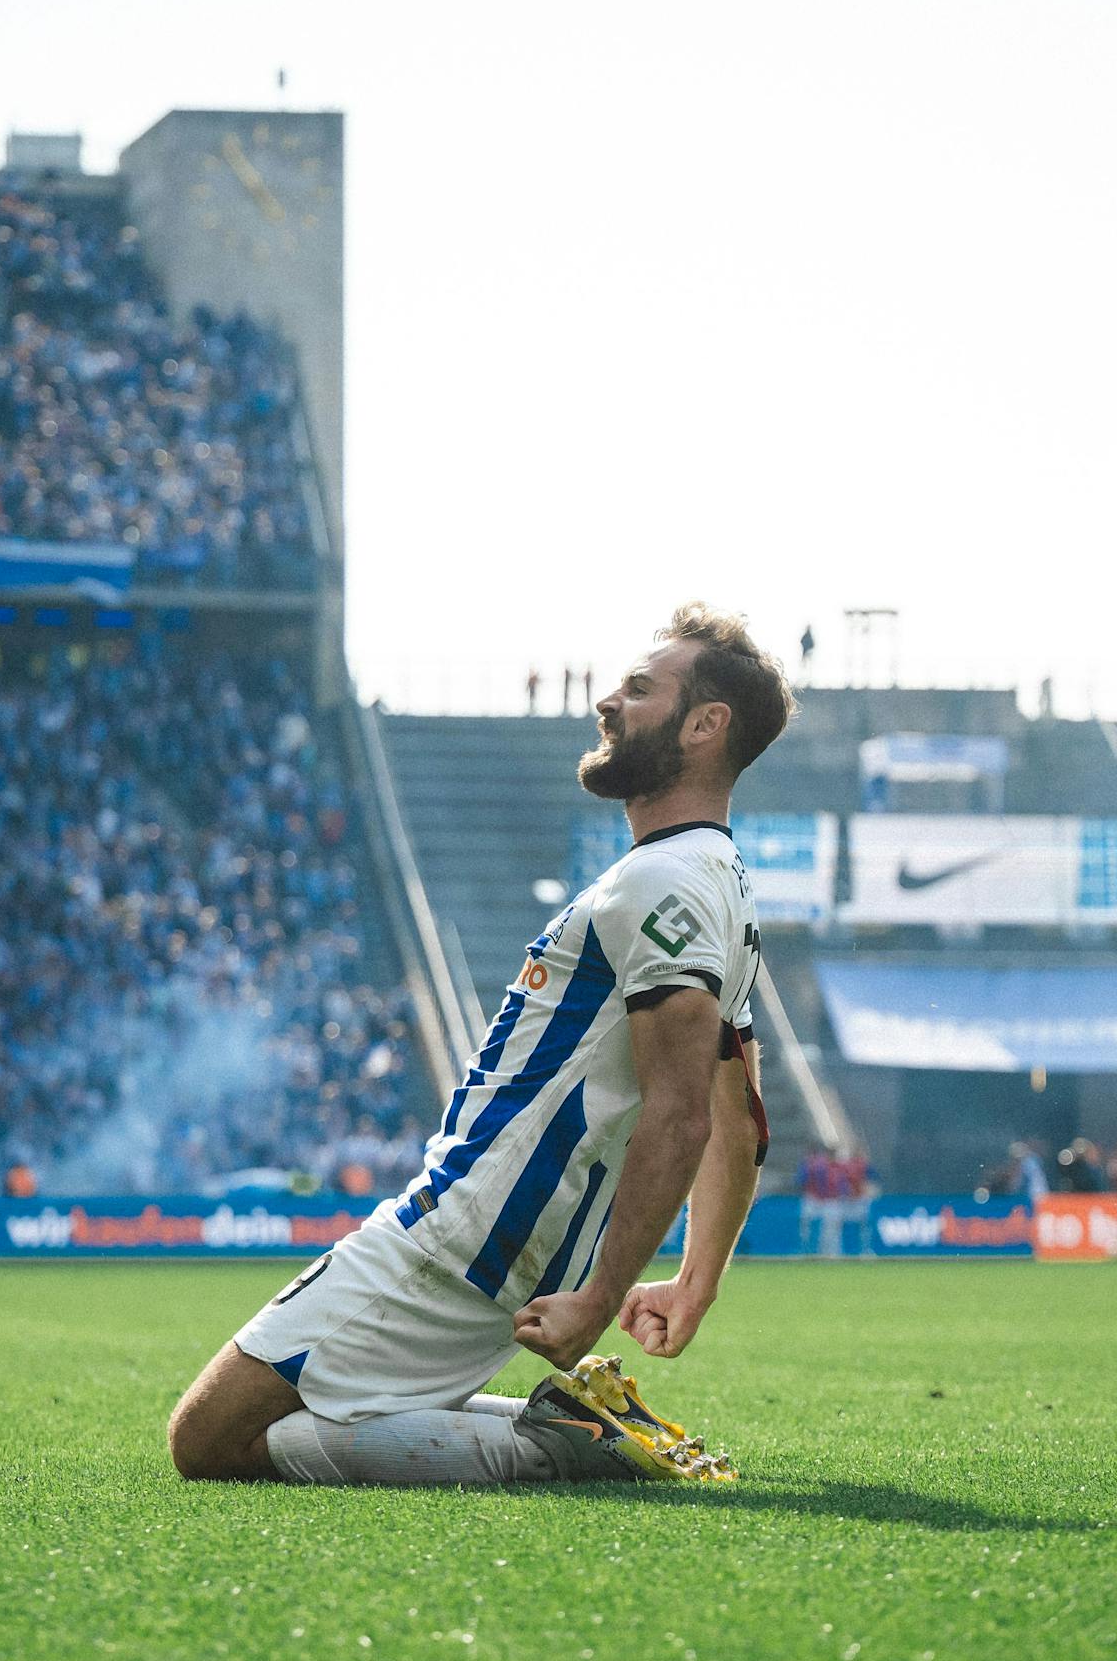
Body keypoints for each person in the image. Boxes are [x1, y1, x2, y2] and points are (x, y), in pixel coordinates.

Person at [167, 605, 796, 1487]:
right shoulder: (717, 882)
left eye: (640, 689)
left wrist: (605, 1297)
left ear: (705, 725)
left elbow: (688, 1113)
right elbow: (741, 1114)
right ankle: (578, 1421)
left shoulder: (663, 882)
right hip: (494, 1231)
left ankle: (562, 1445)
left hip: (466, 1230)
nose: (608, 702)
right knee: (316, 1423)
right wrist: (697, 1282)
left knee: (208, 1438)